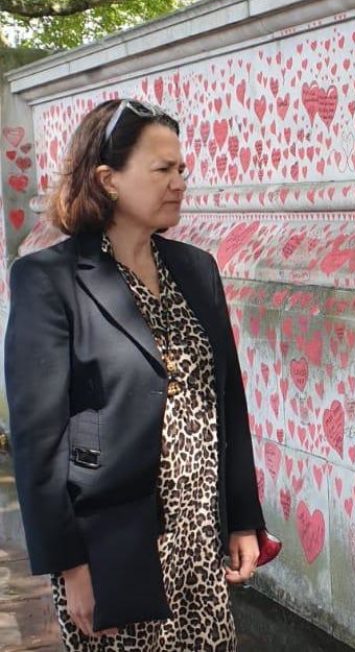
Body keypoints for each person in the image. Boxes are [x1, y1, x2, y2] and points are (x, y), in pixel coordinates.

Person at [4, 98, 265, 650]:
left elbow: (228, 404)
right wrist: (71, 567)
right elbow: (37, 440)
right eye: (162, 170)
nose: (179, 183)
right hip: (112, 545)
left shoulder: (196, 269)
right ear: (109, 180)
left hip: (198, 539)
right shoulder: (48, 280)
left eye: (182, 170)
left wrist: (243, 518)